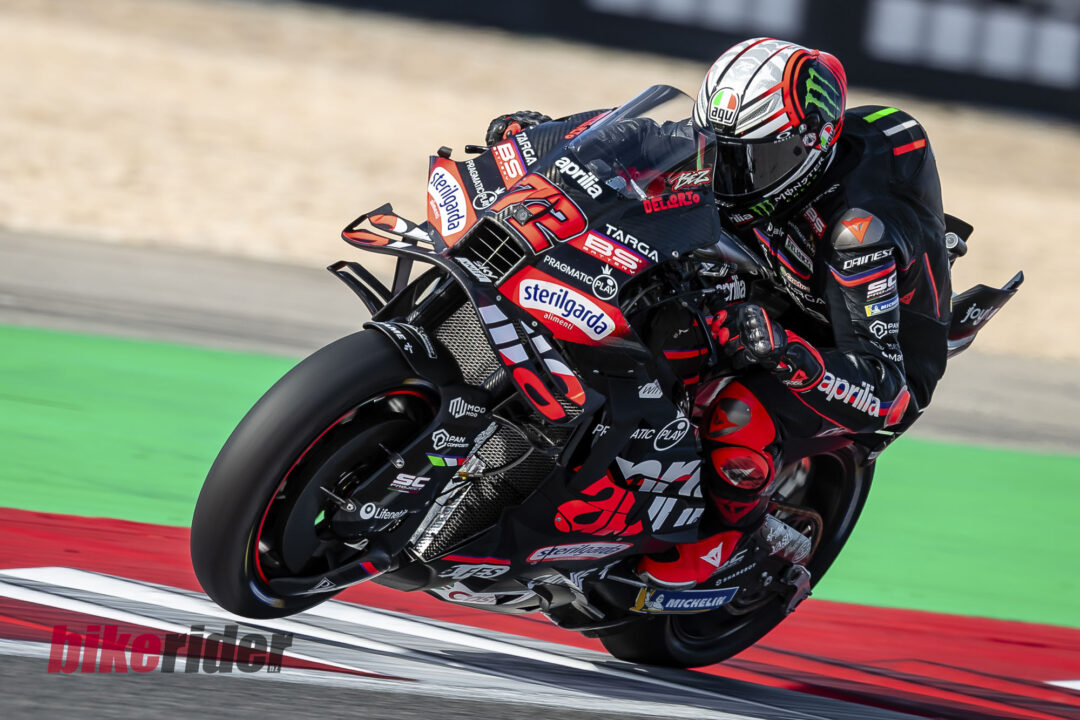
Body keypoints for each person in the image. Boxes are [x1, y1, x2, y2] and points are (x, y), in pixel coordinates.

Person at [485, 38, 952, 588]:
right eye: (721, 152)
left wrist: (790, 353)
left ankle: (734, 542)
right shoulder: (743, 149)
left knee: (739, 415)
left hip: (848, 351)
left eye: (753, 161)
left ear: (811, 145)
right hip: (768, 283)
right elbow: (642, 138)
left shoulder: (858, 234)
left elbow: (889, 391)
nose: (729, 175)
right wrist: (546, 141)